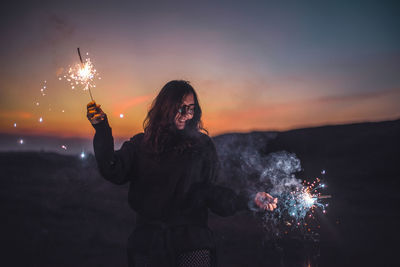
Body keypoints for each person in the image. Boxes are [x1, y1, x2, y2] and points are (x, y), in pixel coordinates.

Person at [87, 80, 277, 267]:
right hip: (148, 246)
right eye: (180, 108)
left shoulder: (202, 146)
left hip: (191, 247)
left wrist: (250, 200)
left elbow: (213, 193)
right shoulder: (141, 144)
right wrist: (102, 129)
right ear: (165, 108)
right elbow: (112, 168)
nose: (186, 115)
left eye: (191, 108)